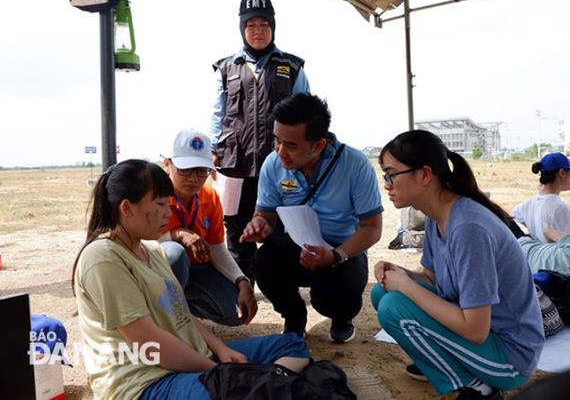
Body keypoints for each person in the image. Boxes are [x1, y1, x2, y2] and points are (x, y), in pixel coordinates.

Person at [72, 159, 309, 400]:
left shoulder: (151, 250)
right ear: (127, 208)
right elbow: (150, 345)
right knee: (241, 388)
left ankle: (265, 387)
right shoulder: (103, 258)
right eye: (161, 204)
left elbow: (181, 313)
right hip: (147, 382)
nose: (168, 212)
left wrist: (220, 349)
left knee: (291, 346)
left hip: (194, 357)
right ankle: (267, 386)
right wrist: (221, 372)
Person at [372, 130, 544, 400]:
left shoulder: (468, 228)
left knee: (394, 307)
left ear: (424, 175)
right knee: (382, 291)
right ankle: (443, 357)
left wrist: (406, 286)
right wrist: (400, 273)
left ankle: (478, 386)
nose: (387, 184)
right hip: (482, 334)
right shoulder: (436, 213)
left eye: (391, 174)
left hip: (509, 356)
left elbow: (475, 330)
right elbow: (431, 277)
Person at [240, 93, 383, 343]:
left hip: (341, 252)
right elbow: (265, 214)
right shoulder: (273, 164)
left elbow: (371, 228)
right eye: (277, 141)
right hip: (296, 248)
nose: (280, 152)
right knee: (262, 262)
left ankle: (341, 317)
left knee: (337, 296)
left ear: (318, 145)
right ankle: (294, 317)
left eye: (291, 146)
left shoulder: (355, 165)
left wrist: (335, 255)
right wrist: (260, 225)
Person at [209, 0, 310, 280]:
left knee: (284, 223)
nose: (258, 31)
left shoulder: (292, 66)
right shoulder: (226, 67)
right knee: (238, 225)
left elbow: (305, 110)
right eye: (251, 25)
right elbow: (217, 112)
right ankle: (243, 283)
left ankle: (280, 279)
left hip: (280, 162)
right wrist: (214, 148)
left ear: (273, 28)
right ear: (242, 28)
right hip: (235, 162)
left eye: (264, 25)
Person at [159, 129, 257, 326]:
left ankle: (181, 310)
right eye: (185, 169)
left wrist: (241, 280)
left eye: (201, 170)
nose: (194, 178)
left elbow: (217, 248)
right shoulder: (153, 194)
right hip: (157, 273)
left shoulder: (209, 196)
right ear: (167, 164)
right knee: (173, 255)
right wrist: (177, 234)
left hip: (196, 271)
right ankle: (161, 319)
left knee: (233, 312)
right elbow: (136, 244)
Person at [513, 152, 570, 257]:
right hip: (561, 257)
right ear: (562, 173)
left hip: (543, 252)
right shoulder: (560, 207)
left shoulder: (528, 204)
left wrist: (536, 229)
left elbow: (516, 213)